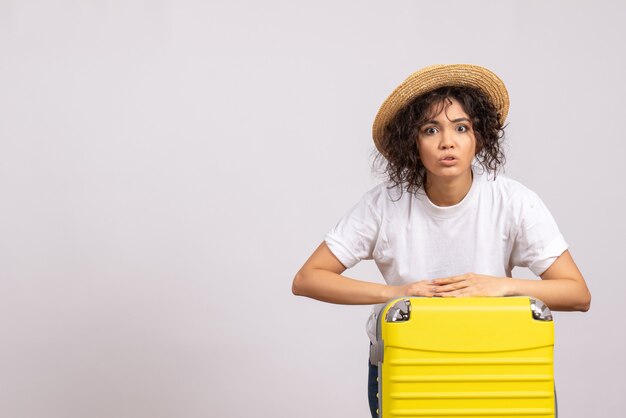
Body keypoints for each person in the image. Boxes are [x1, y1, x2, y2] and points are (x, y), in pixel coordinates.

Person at [291, 64, 591, 417]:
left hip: (500, 361)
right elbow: (307, 279)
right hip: (410, 362)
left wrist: (500, 287)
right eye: (430, 129)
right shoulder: (383, 204)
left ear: (478, 137)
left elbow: (578, 294)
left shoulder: (513, 200)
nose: (447, 141)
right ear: (412, 142)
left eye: (461, 128)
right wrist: (396, 294)